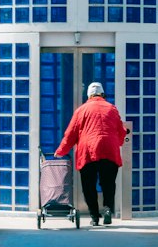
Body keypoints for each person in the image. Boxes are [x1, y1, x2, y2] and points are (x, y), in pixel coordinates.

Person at [55, 82, 129, 226]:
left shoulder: (81, 110)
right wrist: (117, 143)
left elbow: (71, 134)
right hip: (109, 150)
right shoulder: (112, 109)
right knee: (108, 183)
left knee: (88, 185)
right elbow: (121, 131)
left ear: (88, 95)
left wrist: (61, 151)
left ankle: (94, 217)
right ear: (102, 94)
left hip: (88, 152)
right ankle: (108, 209)